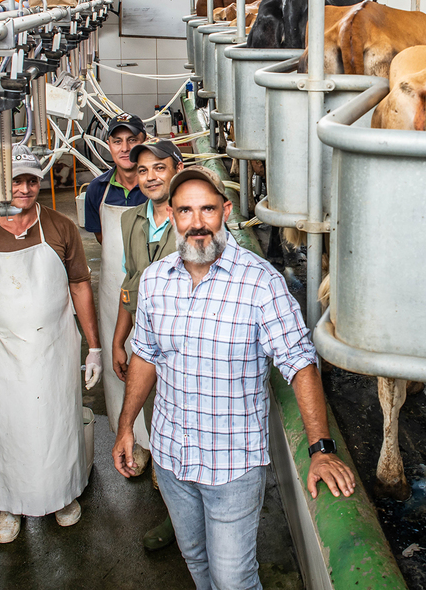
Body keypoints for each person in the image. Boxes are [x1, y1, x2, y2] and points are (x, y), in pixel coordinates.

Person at [112, 166, 355, 589]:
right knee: (195, 561)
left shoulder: (262, 283)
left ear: (225, 211)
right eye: (185, 211)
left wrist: (321, 448)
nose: (197, 222)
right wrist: (125, 426)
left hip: (232, 466)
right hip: (172, 457)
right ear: (171, 215)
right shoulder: (154, 281)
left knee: (233, 578)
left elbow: (299, 363)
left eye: (207, 209)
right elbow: (146, 356)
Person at [0, 145, 102, 544]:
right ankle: (10, 505)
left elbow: (80, 285)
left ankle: (64, 497)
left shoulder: (59, 228)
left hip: (54, 347)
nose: (25, 188)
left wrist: (94, 346)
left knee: (60, 424)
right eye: (15, 180)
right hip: (1, 354)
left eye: (31, 180)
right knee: (7, 430)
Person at [111, 138, 184, 550]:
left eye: (159, 167)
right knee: (158, 423)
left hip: (188, 346)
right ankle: (173, 508)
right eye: (142, 170)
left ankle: (188, 518)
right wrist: (120, 340)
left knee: (188, 425)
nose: (151, 176)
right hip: (146, 343)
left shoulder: (191, 217)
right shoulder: (130, 221)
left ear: (175, 169)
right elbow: (129, 285)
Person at [84, 113, 148, 436]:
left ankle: (157, 447)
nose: (125, 148)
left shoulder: (155, 187)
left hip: (151, 289)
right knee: (118, 365)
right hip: (112, 292)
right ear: (108, 144)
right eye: (117, 141)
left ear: (143, 142)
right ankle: (130, 438)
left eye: (132, 140)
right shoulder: (96, 191)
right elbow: (102, 240)